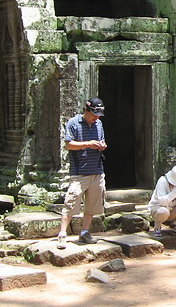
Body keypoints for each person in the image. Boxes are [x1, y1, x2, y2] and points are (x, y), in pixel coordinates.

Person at [57, 97, 107, 249]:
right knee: (71, 202)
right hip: (79, 172)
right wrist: (88, 144)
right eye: (94, 114)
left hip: (97, 171)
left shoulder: (98, 123)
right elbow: (68, 145)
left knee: (92, 205)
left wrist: (101, 145)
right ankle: (62, 233)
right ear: (86, 110)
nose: (96, 118)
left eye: (98, 115)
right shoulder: (73, 123)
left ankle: (85, 232)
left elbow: (102, 140)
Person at [149, 165, 176, 236]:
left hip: (173, 208)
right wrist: (175, 191)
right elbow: (162, 202)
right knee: (163, 211)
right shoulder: (162, 181)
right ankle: (157, 226)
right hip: (159, 208)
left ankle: (174, 224)